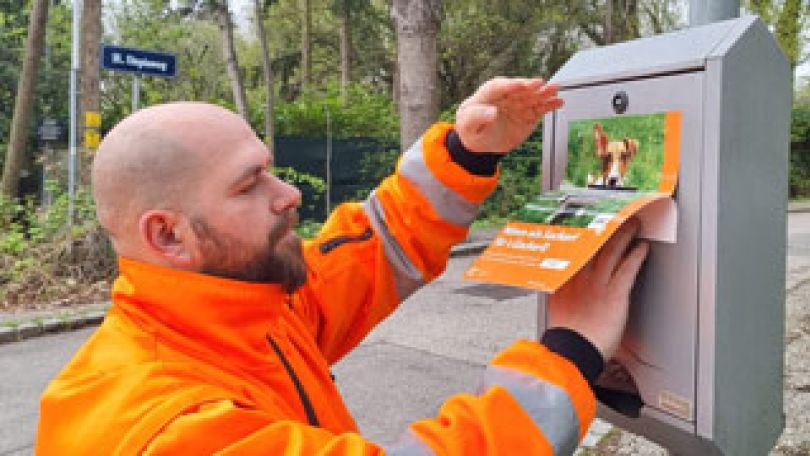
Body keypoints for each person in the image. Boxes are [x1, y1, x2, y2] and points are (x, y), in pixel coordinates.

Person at [35, 77, 648, 455]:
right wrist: (568, 352)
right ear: (167, 235)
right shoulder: (171, 431)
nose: (289, 194)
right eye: (250, 184)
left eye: (269, 167)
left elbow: (376, 246)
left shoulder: (240, 309)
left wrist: (467, 150)